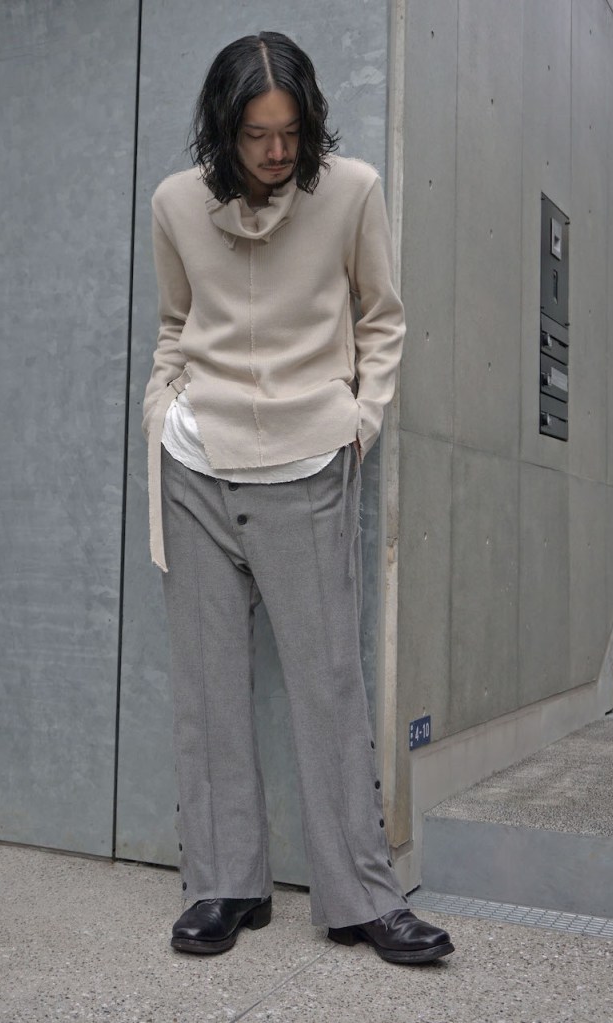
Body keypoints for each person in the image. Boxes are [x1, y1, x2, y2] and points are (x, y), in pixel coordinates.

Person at [142, 31, 454, 965]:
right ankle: (223, 885)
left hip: (309, 463)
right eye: (256, 135)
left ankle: (363, 897)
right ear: (223, 129)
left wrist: (359, 421)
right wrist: (162, 415)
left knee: (328, 686)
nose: (276, 151)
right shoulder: (175, 203)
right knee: (207, 688)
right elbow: (174, 322)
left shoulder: (350, 191)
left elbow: (380, 318)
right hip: (196, 463)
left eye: (290, 131)